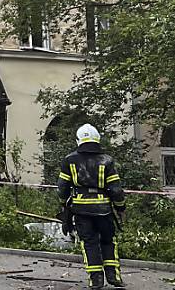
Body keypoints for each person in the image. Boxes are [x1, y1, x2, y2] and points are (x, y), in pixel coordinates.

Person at [57, 124, 127, 289]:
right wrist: (121, 208)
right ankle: (113, 276)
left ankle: (96, 280)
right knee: (108, 241)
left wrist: (63, 205)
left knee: (89, 242)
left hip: (81, 210)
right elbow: (116, 190)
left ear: (79, 140)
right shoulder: (107, 161)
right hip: (104, 210)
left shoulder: (69, 160)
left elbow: (62, 188)